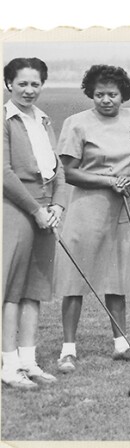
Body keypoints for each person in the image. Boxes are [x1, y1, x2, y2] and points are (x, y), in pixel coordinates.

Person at [54, 64, 130, 372]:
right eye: (99, 94)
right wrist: (110, 181)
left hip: (122, 209)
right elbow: (68, 172)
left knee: (117, 278)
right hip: (87, 209)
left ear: (123, 94)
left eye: (112, 94)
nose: (106, 100)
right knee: (75, 278)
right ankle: (68, 349)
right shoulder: (76, 123)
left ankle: (121, 345)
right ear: (90, 94)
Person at [2, 58, 67, 388]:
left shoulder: (43, 120)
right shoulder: (4, 119)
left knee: (35, 288)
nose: (29, 90)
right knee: (11, 289)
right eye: (22, 83)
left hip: (45, 208)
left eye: (35, 84)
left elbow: (58, 168)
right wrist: (35, 210)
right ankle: (9, 366)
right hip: (15, 209)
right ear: (8, 84)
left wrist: (57, 204)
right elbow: (5, 174)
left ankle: (29, 362)